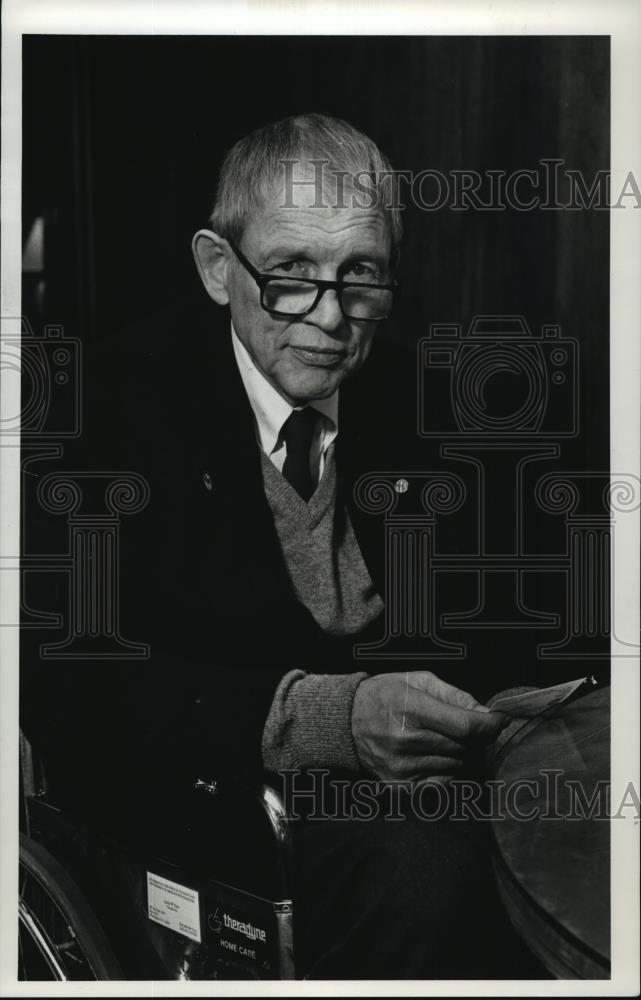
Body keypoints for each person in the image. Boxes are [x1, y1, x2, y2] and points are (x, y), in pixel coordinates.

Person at [21, 113, 539, 979]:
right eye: (291, 273)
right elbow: (68, 686)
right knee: (431, 868)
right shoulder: (100, 419)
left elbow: (499, 627)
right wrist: (333, 717)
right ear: (218, 269)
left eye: (360, 276)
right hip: (203, 813)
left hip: (420, 793)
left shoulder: (437, 401)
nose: (330, 317)